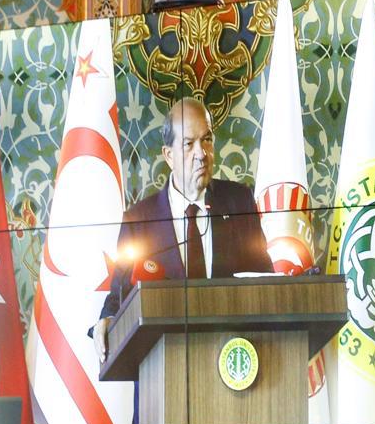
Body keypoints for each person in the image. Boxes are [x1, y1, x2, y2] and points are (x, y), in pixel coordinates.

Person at [93, 97, 272, 359]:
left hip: (233, 359)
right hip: (165, 362)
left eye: (207, 140)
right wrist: (108, 319)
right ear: (169, 155)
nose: (202, 154)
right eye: (189, 144)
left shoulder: (239, 202)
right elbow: (120, 295)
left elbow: (264, 280)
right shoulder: (139, 221)